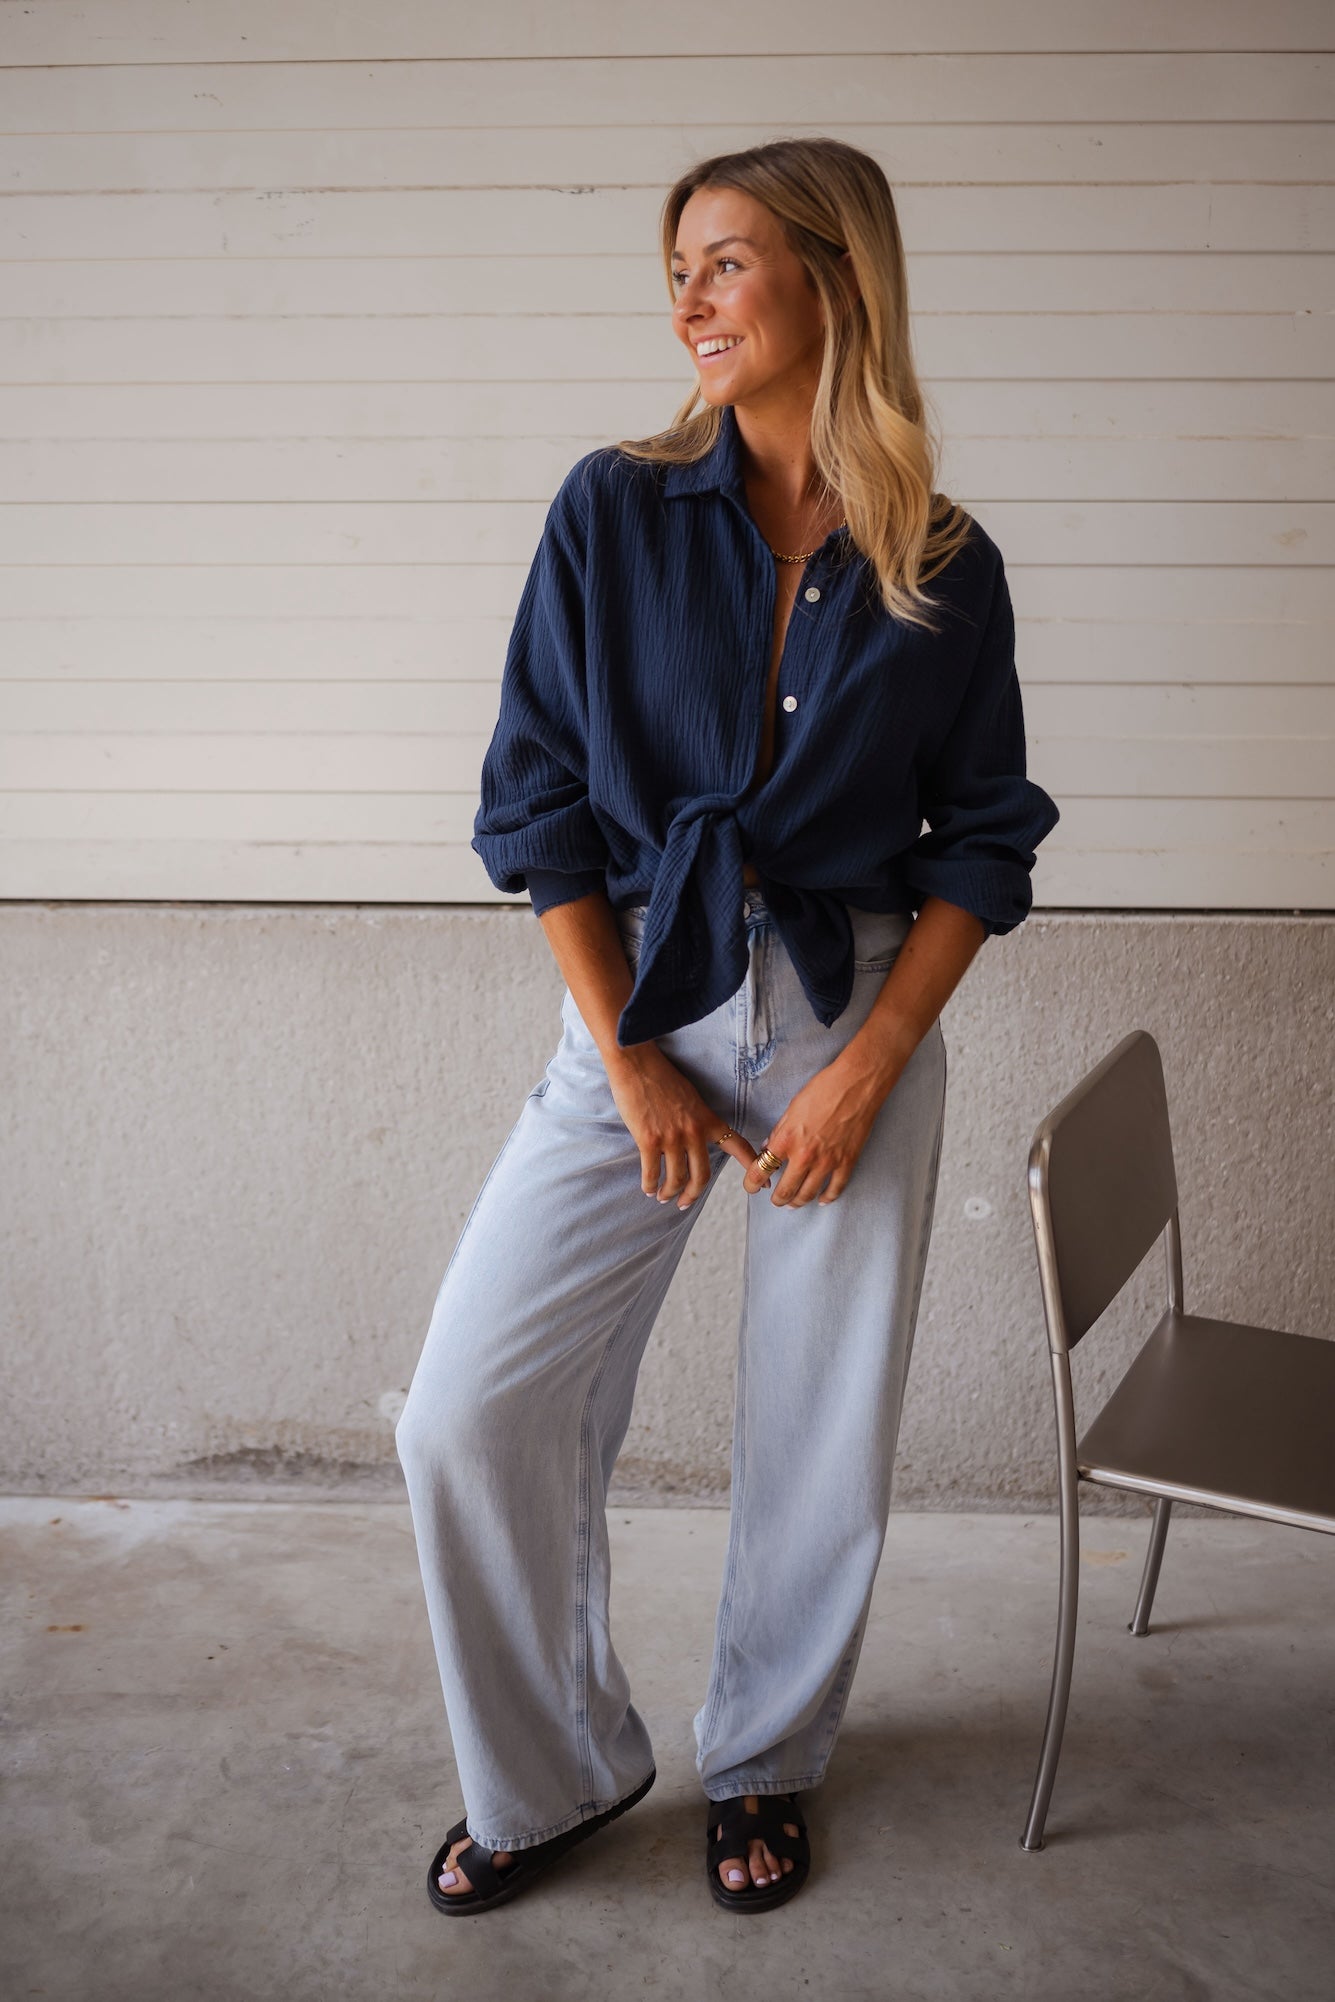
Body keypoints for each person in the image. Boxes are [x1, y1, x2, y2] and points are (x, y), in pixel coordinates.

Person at [396, 135, 1061, 1916]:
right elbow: (534, 798)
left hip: (854, 1013)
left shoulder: (943, 561)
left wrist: (870, 1069)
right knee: (468, 1408)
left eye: (729, 259)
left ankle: (764, 1757)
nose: (690, 296)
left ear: (835, 281)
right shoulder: (612, 509)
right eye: (678, 265)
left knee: (817, 1435)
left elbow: (983, 841)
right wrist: (625, 1059)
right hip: (641, 999)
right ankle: (552, 1768)